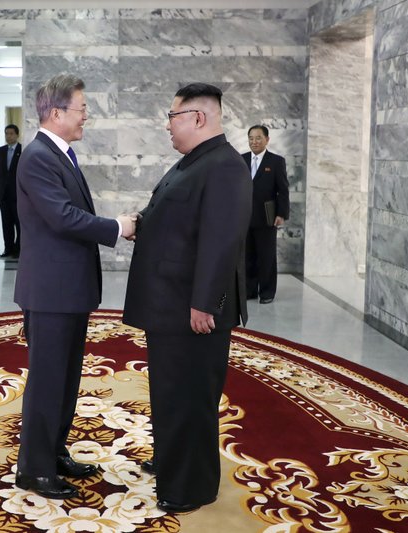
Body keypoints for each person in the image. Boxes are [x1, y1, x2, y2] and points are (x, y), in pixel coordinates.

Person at [123, 83, 252, 513]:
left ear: (199, 117)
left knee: (191, 397)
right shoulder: (195, 162)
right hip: (170, 305)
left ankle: (190, 486)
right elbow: (180, 220)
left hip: (192, 311)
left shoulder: (224, 166)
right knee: (170, 392)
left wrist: (205, 303)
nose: (167, 125)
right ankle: (171, 461)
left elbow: (221, 242)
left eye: (172, 116)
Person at [13, 74, 137, 499]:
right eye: (82, 108)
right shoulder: (37, 157)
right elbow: (63, 217)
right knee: (48, 381)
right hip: (50, 293)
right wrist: (116, 227)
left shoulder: (59, 154)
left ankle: (54, 451)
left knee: (66, 379)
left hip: (66, 289)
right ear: (56, 113)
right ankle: (33, 468)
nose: (87, 116)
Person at [242, 125, 290, 304]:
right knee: (247, 255)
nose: (254, 141)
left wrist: (281, 213)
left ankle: (267, 292)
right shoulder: (241, 160)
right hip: (244, 217)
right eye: (251, 138)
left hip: (267, 217)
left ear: (267, 139)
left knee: (266, 256)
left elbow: (283, 190)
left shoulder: (276, 161)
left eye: (258, 138)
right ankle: (249, 290)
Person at [0, 124, 22, 259]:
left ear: (17, 135)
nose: (8, 136)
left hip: (17, 194)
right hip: (4, 194)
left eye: (11, 133)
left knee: (19, 223)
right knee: (6, 223)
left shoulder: (22, 150)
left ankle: (18, 249)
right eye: (6, 133)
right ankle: (8, 248)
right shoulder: (2, 150)